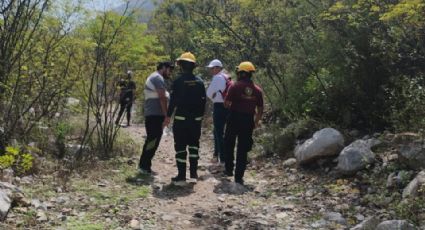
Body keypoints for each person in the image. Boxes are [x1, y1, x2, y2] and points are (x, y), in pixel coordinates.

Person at [163, 52, 206, 185]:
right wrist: (199, 117)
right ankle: (193, 175)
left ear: (181, 65)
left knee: (180, 147)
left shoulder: (178, 82)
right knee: (194, 146)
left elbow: (173, 102)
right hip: (195, 121)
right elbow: (203, 102)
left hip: (181, 120)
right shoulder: (199, 82)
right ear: (193, 66)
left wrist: (167, 117)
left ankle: (181, 176)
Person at [223, 61, 264, 185]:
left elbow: (226, 103)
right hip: (247, 121)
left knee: (229, 143)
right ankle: (239, 177)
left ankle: (229, 169)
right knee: (243, 149)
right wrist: (256, 122)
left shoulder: (234, 86)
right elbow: (260, 109)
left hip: (234, 118)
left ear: (240, 73)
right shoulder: (257, 90)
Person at [138, 62, 174, 174]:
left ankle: (145, 165)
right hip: (155, 115)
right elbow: (162, 98)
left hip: (153, 114)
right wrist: (166, 115)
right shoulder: (157, 78)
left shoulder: (154, 77)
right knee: (153, 140)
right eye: (169, 70)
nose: (170, 73)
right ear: (163, 68)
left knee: (153, 140)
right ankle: (144, 166)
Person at [206, 59, 230, 163]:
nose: (211, 70)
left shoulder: (217, 78)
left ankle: (222, 158)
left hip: (219, 106)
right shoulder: (227, 77)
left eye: (212, 68)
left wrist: (213, 96)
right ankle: (216, 155)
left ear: (217, 68)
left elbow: (209, 93)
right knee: (218, 131)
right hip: (228, 107)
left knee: (218, 132)